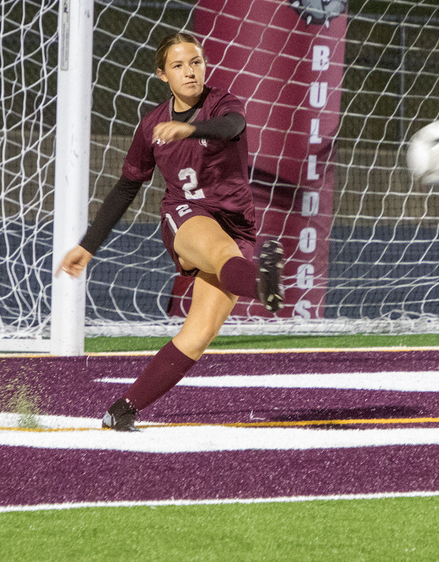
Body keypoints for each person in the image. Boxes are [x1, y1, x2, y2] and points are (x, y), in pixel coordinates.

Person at [56, 32, 283, 430]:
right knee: (221, 254)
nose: (189, 71)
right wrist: (88, 245)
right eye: (178, 65)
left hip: (237, 222)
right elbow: (127, 187)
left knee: (198, 334)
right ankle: (264, 287)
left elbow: (233, 126)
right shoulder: (151, 125)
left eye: (196, 62)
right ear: (162, 75)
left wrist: (190, 130)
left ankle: (122, 409)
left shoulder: (222, 103)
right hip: (187, 213)